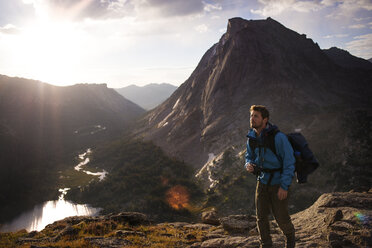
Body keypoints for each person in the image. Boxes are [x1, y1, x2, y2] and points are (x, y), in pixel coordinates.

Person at [245, 105, 296, 248]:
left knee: (281, 218)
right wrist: (248, 164)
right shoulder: (252, 137)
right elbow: (249, 156)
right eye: (251, 116)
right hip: (262, 181)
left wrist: (284, 186)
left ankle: (290, 240)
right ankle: (266, 245)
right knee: (261, 218)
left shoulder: (278, 138)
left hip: (278, 183)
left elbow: (289, 162)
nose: (252, 119)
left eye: (256, 116)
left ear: (265, 120)